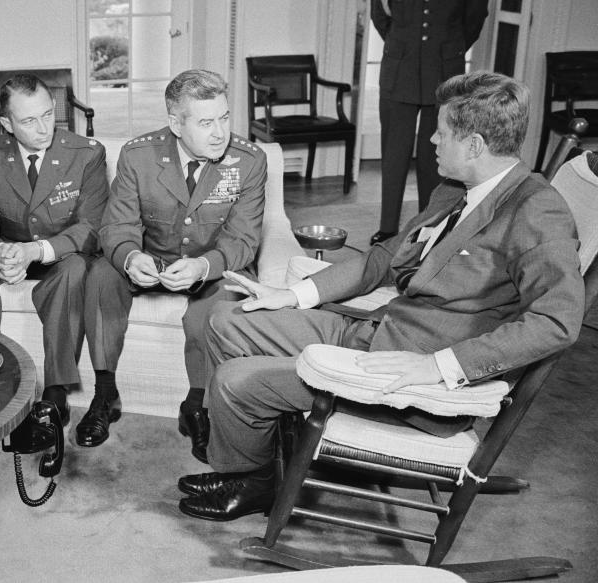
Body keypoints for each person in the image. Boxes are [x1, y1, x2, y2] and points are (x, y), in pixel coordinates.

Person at [178, 71, 584, 522]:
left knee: (236, 381)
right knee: (226, 319)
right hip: (378, 330)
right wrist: (291, 295)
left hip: (404, 375)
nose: (430, 139)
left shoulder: (536, 210)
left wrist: (438, 366)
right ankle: (256, 456)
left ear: (473, 145)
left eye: (442, 132)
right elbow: (384, 258)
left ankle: (254, 483)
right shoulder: (454, 190)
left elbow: (558, 321)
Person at [80, 69, 268, 456]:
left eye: (224, 117)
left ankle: (196, 406)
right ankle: (104, 395)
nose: (220, 133)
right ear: (175, 123)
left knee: (219, 306)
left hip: (212, 265)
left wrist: (205, 267)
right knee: (100, 274)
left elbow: (244, 240)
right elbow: (116, 226)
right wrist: (131, 257)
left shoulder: (249, 161)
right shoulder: (139, 155)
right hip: (151, 259)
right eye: (205, 122)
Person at [0, 74, 109, 422]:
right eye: (29, 120)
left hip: (59, 255)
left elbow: (91, 228)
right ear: (6, 123)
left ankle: (56, 392)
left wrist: (33, 252)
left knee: (76, 269)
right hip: (8, 252)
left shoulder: (86, 154)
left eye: (48, 114)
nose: (43, 128)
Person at [369, 0, 491, 245]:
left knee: (436, 154)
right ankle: (387, 227)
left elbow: (473, 22)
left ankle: (429, 223)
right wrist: (407, 47)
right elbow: (380, 16)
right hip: (400, 72)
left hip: (443, 74)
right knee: (394, 154)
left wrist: (444, 49)